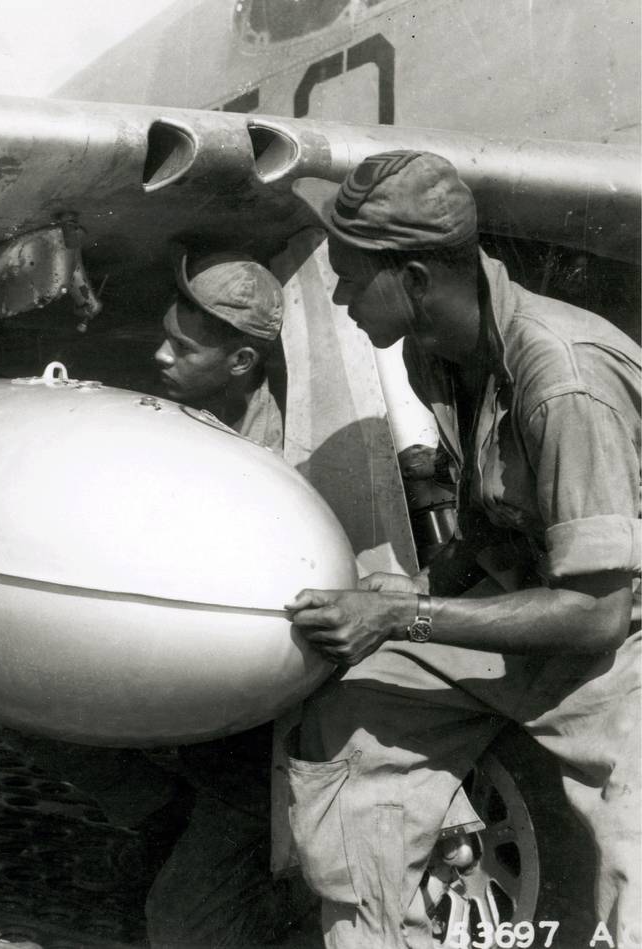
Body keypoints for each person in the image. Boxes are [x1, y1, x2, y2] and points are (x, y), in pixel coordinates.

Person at [284, 151, 641, 949]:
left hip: (621, 642)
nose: (340, 296)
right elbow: (488, 519)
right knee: (355, 704)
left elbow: (598, 614)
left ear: (413, 279)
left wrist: (404, 613)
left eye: (350, 277)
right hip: (536, 608)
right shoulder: (432, 351)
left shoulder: (563, 380)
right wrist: (402, 598)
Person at [18, 250, 309, 948]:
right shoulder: (200, 412)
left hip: (258, 766)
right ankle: (167, 818)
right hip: (207, 736)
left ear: (241, 362)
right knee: (21, 700)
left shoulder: (271, 473)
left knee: (179, 927)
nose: (158, 354)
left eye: (182, 347)